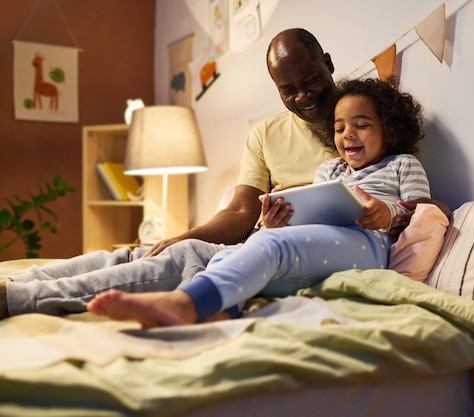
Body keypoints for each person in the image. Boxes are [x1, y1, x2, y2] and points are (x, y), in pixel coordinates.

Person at [0, 28, 447, 320]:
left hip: (316, 243)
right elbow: (239, 210)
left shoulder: (385, 145)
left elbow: (427, 209)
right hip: (267, 233)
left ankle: (25, 300)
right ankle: (25, 283)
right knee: (139, 254)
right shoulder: (285, 140)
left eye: (309, 80)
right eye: (287, 89)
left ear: (327, 63)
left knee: (182, 257)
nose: (301, 94)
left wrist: (388, 214)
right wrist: (190, 232)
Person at [87, 77, 431, 327]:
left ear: (389, 129)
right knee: (226, 256)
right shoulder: (330, 168)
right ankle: (220, 313)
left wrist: (386, 213)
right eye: (340, 128)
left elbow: (422, 214)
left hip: (368, 244)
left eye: (362, 125)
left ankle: (183, 303)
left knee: (271, 246)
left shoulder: (402, 164)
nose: (348, 134)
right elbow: (314, 218)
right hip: (323, 244)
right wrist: (279, 222)